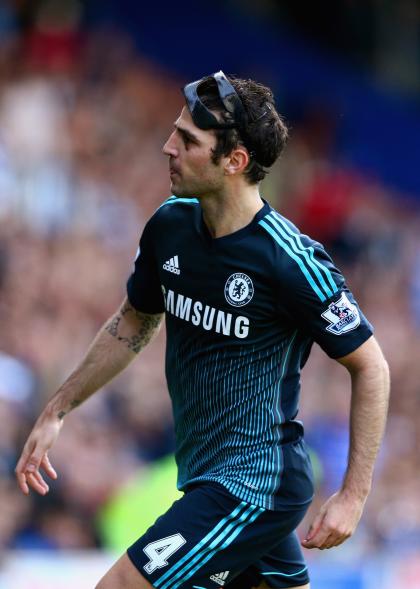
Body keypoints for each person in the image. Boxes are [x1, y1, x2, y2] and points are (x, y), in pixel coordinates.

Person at [16, 71, 390, 589]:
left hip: (254, 486)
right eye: (175, 131)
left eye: (188, 140)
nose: (167, 147)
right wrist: (58, 408)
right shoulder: (170, 226)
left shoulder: (291, 261)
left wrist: (353, 495)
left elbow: (370, 366)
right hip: (205, 477)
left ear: (234, 162)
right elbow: (132, 323)